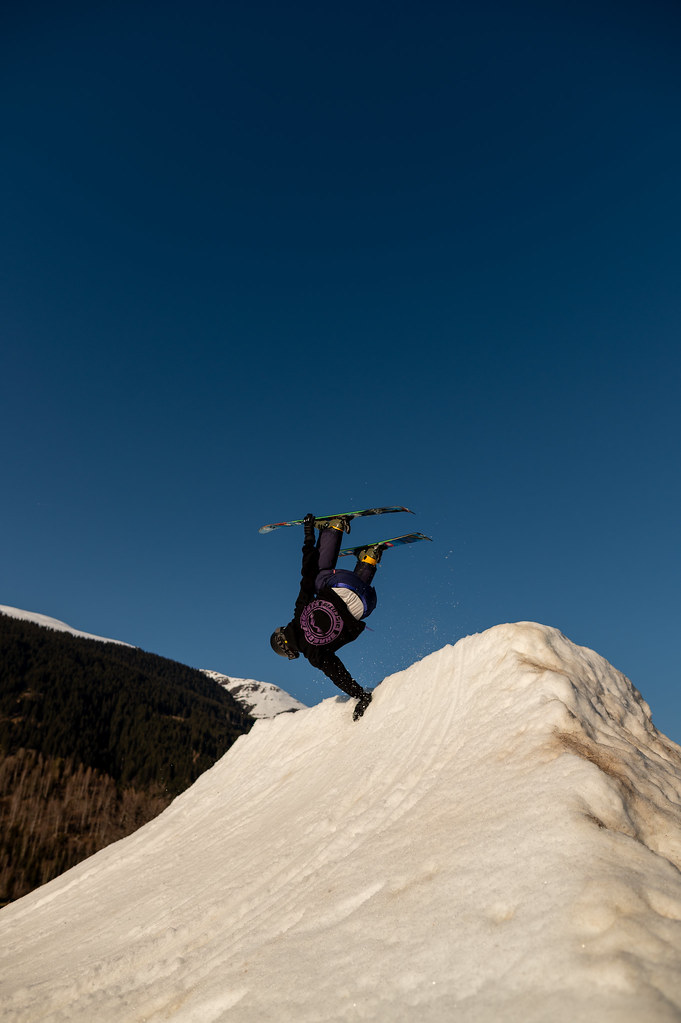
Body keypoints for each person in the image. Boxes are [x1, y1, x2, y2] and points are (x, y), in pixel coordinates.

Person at [270, 513, 382, 720]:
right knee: (317, 576)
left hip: (366, 604)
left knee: (348, 605)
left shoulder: (315, 655)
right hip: (343, 583)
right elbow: (307, 572)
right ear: (282, 633)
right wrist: (309, 535)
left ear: (290, 651)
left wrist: (361, 696)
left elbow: (337, 673)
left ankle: (369, 559)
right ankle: (334, 528)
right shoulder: (299, 614)